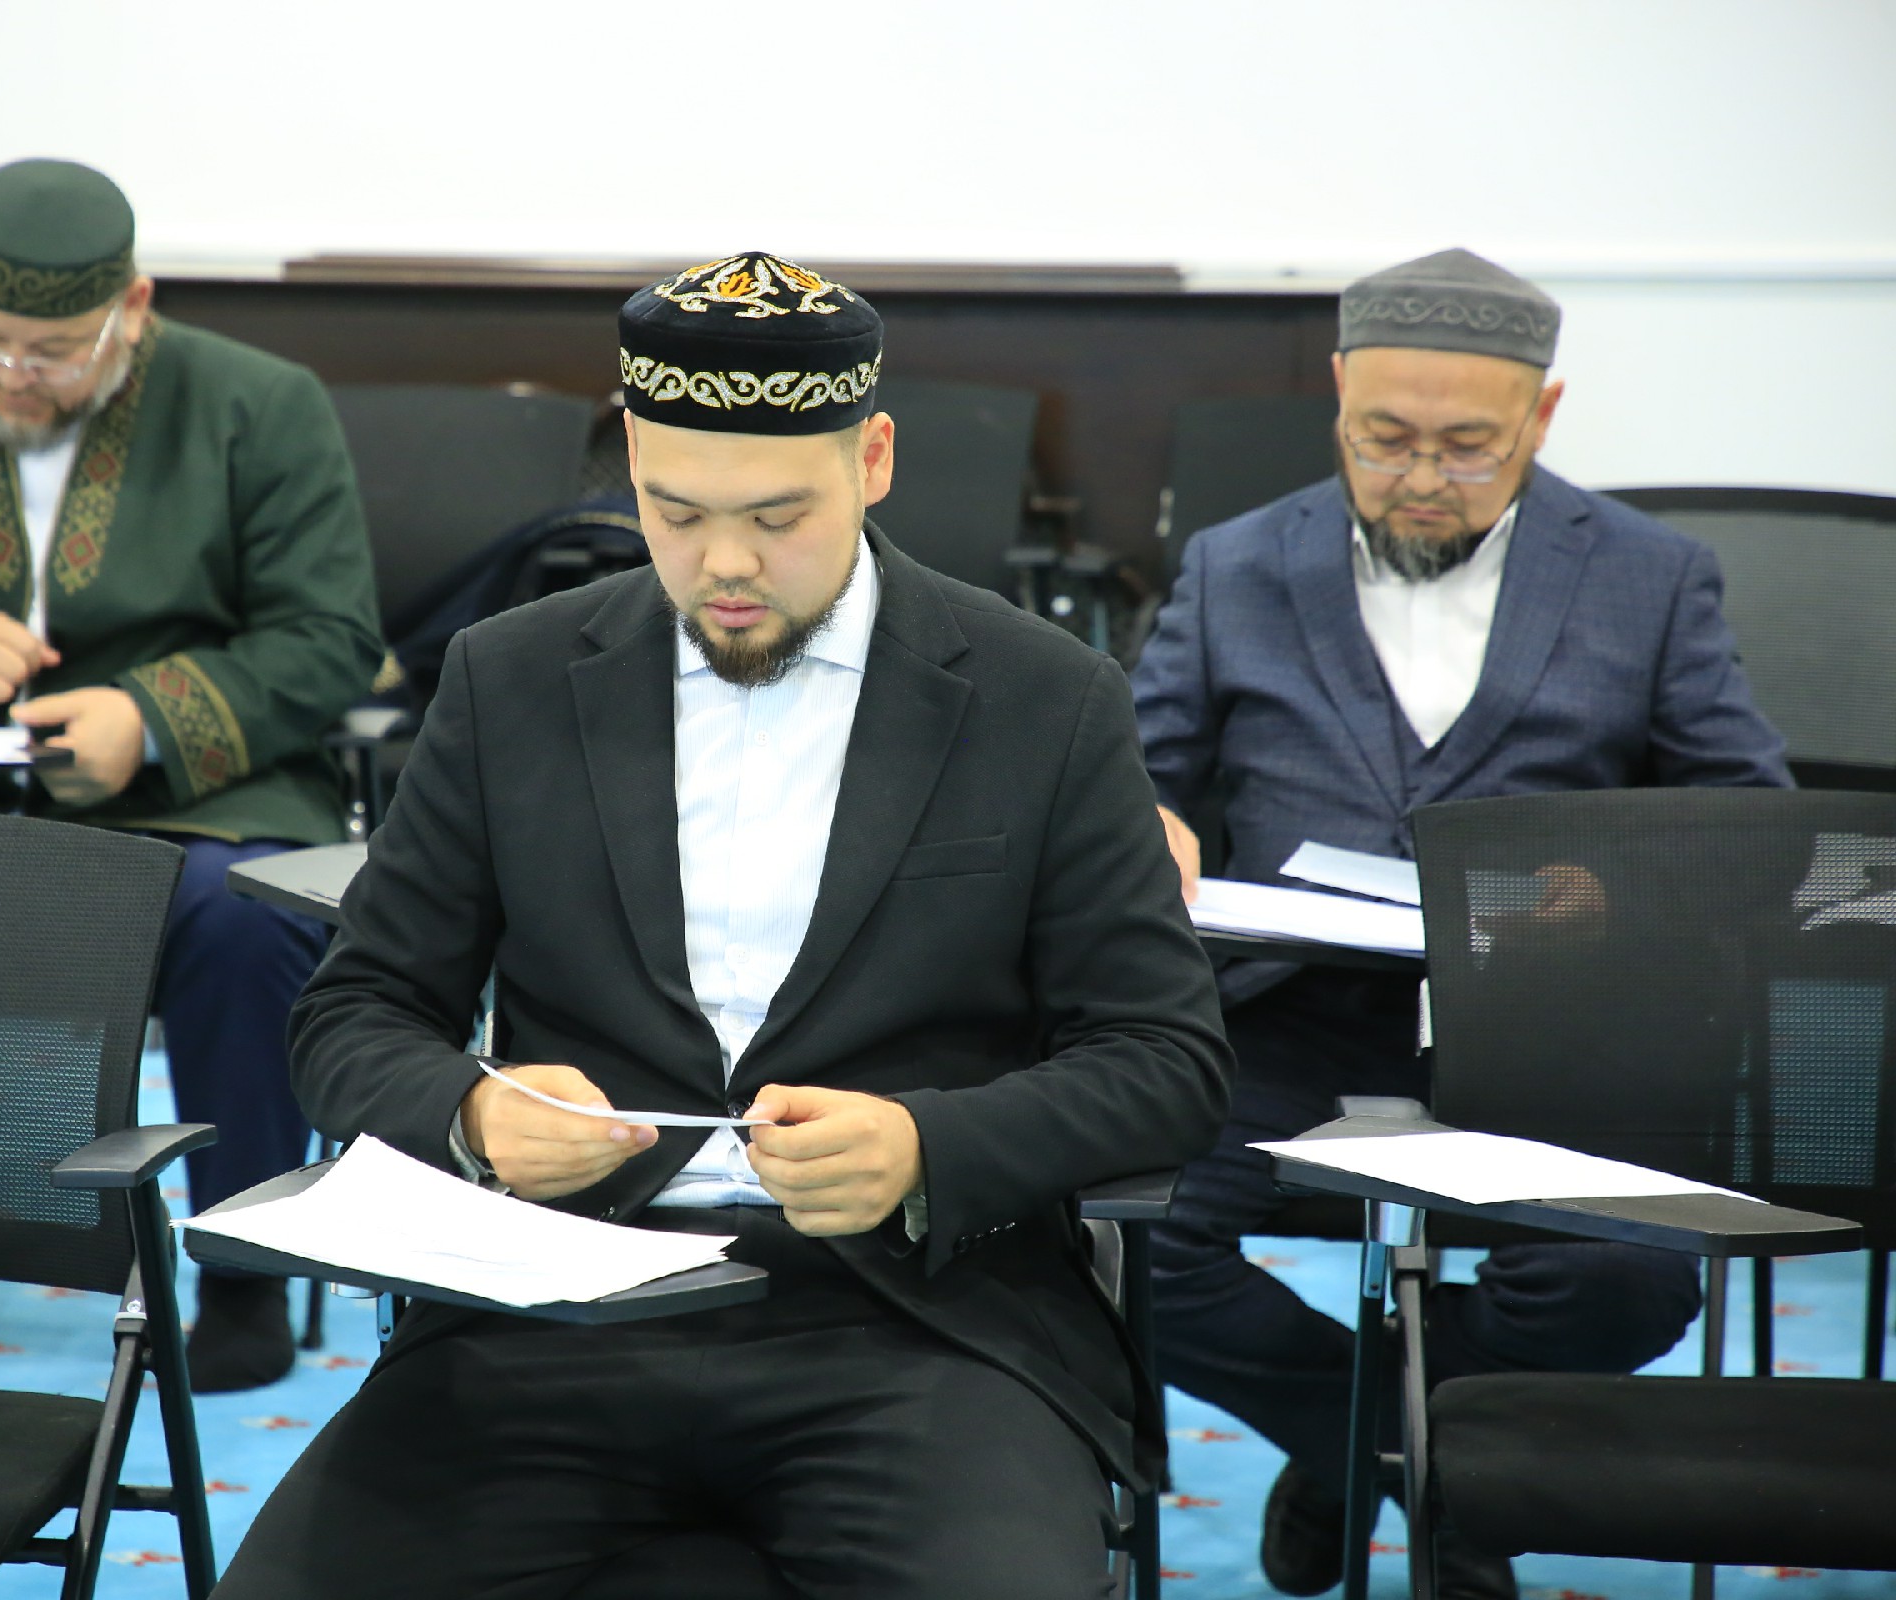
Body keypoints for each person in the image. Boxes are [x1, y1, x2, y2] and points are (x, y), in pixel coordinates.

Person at [214, 253, 1234, 1599]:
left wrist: (929, 1146)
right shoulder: (510, 678)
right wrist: (474, 1112)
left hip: (920, 1329)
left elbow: (1167, 1061)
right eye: (677, 513)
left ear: (873, 460)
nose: (728, 563)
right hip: (559, 1304)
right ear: (631, 460)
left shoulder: (1045, 696)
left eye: (777, 515)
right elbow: (354, 1013)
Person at [1131, 248, 1791, 1597]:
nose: (1422, 476)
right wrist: (1146, 824)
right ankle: (1411, 1467)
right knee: (1114, 1233)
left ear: (1542, 417)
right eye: (1384, 439)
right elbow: (1135, 776)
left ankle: (1356, 1462)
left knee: (1624, 1279)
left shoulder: (1652, 575)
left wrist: (1618, 887)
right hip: (1287, 1017)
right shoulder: (1235, 563)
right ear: (1336, 398)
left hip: (1549, 1032)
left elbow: (1750, 822)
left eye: (1468, 446)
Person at [0, 158, 382, 1391]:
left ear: (132, 309)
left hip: (202, 804)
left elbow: (330, 639)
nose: (10, 374)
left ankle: (244, 1265)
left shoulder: (261, 403)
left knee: (246, 921)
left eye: (49, 352)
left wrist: (146, 719)